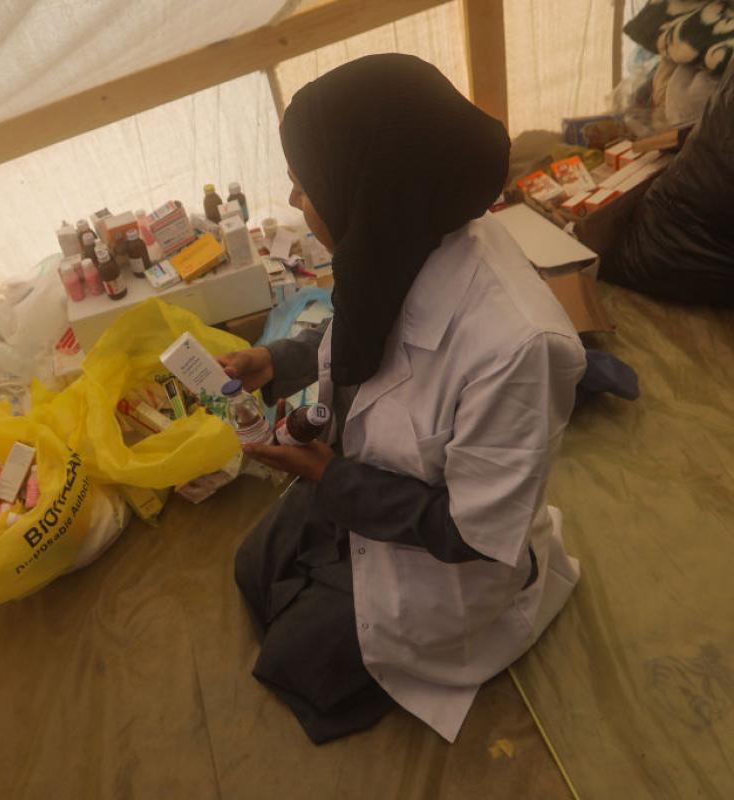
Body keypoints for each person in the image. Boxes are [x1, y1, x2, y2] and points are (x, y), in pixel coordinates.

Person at [219, 54, 587, 744]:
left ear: (362, 183)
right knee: (253, 570)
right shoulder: (400, 236)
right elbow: (360, 323)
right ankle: (335, 556)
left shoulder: (518, 348)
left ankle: (506, 595)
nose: (297, 203)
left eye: (303, 186)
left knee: (297, 664)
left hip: (444, 550)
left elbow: (466, 533)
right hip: (367, 476)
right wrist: (277, 359)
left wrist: (330, 478)